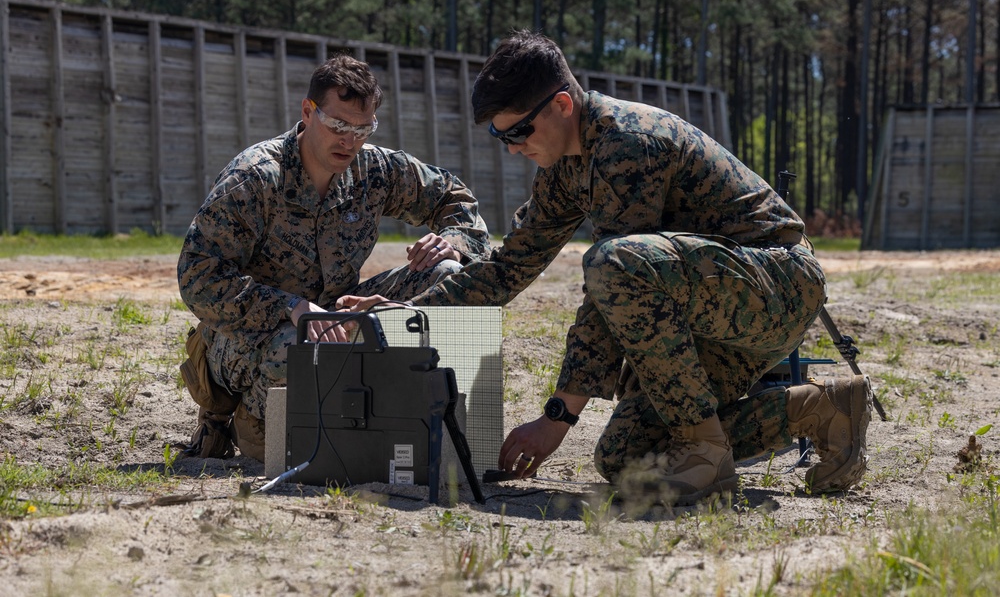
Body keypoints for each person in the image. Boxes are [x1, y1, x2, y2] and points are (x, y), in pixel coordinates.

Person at [341, 30, 872, 506]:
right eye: (500, 138)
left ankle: (706, 452)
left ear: (563, 105)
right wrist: (404, 309)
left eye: (518, 132)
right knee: (627, 460)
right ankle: (822, 410)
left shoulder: (628, 143)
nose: (513, 149)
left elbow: (613, 286)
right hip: (708, 312)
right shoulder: (565, 168)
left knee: (613, 262)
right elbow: (506, 269)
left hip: (776, 288)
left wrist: (556, 419)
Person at [177, 53, 492, 462]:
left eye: (363, 128)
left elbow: (455, 197)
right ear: (308, 112)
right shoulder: (255, 179)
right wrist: (291, 308)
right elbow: (198, 278)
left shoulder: (373, 169)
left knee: (446, 275)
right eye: (339, 125)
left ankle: (426, 423)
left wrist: (454, 240)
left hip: (333, 319)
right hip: (250, 333)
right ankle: (246, 415)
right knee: (300, 350)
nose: (350, 140)